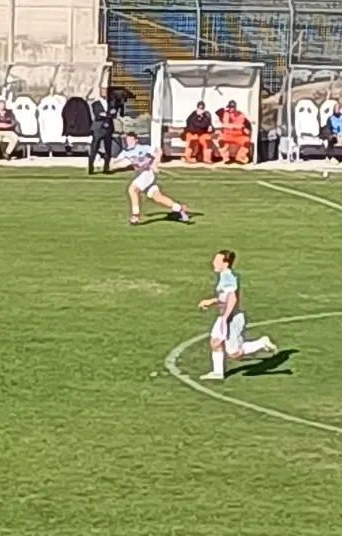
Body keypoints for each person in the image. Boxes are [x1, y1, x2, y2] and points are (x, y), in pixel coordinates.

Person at [196, 250, 277, 381]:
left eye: (217, 261)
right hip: (224, 318)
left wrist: (227, 317)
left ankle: (261, 343)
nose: (213, 263)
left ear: (226, 263)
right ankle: (218, 373)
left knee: (234, 354)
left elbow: (232, 298)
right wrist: (211, 302)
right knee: (215, 342)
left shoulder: (228, 277)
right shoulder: (223, 276)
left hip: (232, 319)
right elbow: (223, 297)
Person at [113, 132, 189, 225]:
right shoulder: (125, 152)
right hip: (140, 174)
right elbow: (116, 161)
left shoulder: (143, 148)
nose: (129, 142)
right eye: (127, 140)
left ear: (136, 140)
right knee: (157, 197)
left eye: (131, 140)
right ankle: (180, 209)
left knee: (132, 189)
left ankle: (135, 216)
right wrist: (117, 163)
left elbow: (159, 151)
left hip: (148, 173)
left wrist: (155, 164)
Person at [89, 87, 116, 174]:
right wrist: (108, 114)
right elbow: (98, 115)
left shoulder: (111, 103)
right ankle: (91, 165)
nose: (104, 93)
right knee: (94, 147)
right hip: (98, 129)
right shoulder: (95, 104)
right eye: (103, 91)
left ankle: (106, 167)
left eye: (105, 91)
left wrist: (108, 115)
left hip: (108, 129)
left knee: (108, 148)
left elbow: (114, 113)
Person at [217, 100, 251, 164]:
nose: (231, 109)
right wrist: (225, 110)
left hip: (238, 135)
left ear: (235, 107)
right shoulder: (225, 114)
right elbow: (225, 124)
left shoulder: (240, 114)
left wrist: (244, 128)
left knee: (247, 141)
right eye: (230, 107)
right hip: (227, 134)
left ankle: (240, 157)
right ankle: (226, 158)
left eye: (233, 107)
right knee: (220, 140)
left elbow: (245, 125)